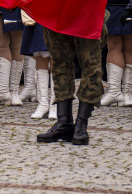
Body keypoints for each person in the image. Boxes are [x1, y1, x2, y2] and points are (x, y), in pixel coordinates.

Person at [36, 13, 108, 145]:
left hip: (88, 10)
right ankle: (64, 121)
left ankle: (81, 124)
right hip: (57, 10)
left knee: (91, 67)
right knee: (59, 65)